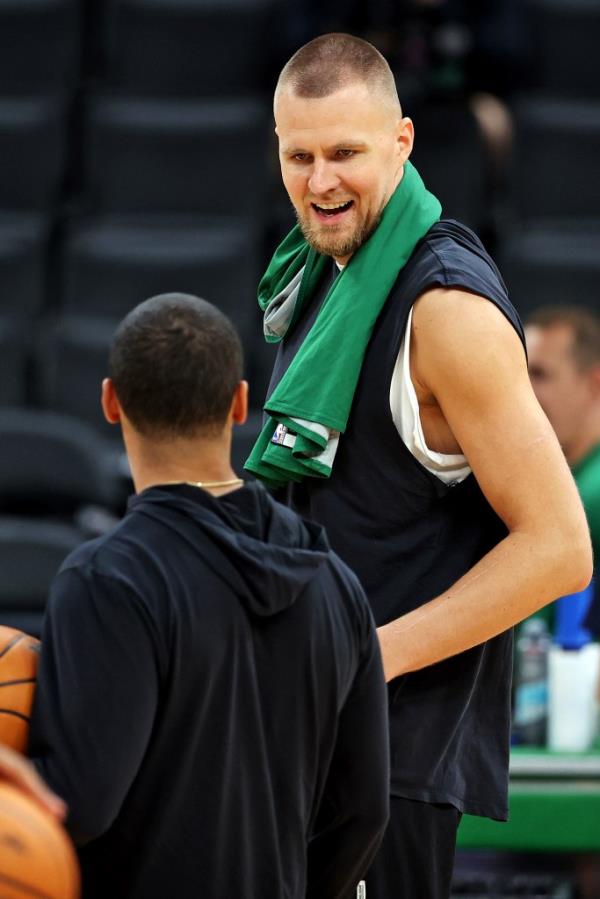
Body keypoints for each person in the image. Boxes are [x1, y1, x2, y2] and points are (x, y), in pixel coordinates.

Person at [245, 33, 592, 899]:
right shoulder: (323, 268)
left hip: (390, 761)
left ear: (401, 142)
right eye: (300, 155)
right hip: (313, 736)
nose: (320, 180)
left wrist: (366, 655)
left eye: (345, 154)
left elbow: (559, 546)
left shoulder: (447, 310)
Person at [28, 293, 389, 899]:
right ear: (241, 402)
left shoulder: (105, 579)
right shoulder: (334, 581)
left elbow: (80, 808)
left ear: (111, 402)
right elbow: (364, 811)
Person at [526, 306, 600, 633]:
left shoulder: (592, 492)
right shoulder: (557, 481)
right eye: (518, 373)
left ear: (595, 384)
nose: (523, 391)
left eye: (540, 374)